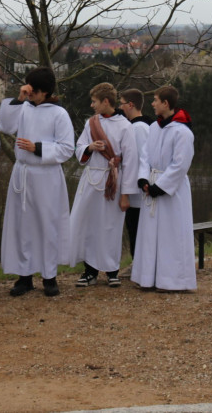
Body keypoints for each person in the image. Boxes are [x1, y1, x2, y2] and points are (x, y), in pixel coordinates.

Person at [0, 67, 75, 297]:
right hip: (23, 174)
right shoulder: (24, 108)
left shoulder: (59, 114)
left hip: (46, 176)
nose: (30, 94)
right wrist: (19, 99)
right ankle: (24, 276)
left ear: (46, 92)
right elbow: (5, 125)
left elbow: (67, 148)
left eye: (34, 91)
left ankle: (49, 276)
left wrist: (38, 148)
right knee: (23, 225)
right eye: (29, 89)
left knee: (47, 225)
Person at [68, 83, 139, 287]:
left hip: (112, 180)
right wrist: (90, 147)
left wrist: (126, 194)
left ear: (106, 102)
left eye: (95, 101)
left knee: (110, 226)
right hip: (91, 181)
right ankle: (90, 271)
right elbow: (79, 148)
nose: (92, 105)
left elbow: (131, 160)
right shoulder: (91, 123)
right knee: (89, 225)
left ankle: (111, 270)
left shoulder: (125, 126)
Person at [133, 86, 197, 292]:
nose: (152, 103)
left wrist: (160, 187)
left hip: (172, 190)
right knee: (150, 234)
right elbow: (145, 156)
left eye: (155, 99)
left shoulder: (182, 131)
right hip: (152, 182)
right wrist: (143, 177)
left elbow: (181, 164)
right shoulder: (154, 128)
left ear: (166, 104)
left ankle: (173, 280)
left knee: (172, 234)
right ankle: (148, 277)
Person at [117, 88, 152, 275]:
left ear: (130, 105)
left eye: (121, 103)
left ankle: (138, 266)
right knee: (135, 228)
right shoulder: (142, 126)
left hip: (137, 191)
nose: (120, 107)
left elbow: (137, 160)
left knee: (136, 229)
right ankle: (139, 265)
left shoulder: (138, 128)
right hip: (135, 188)